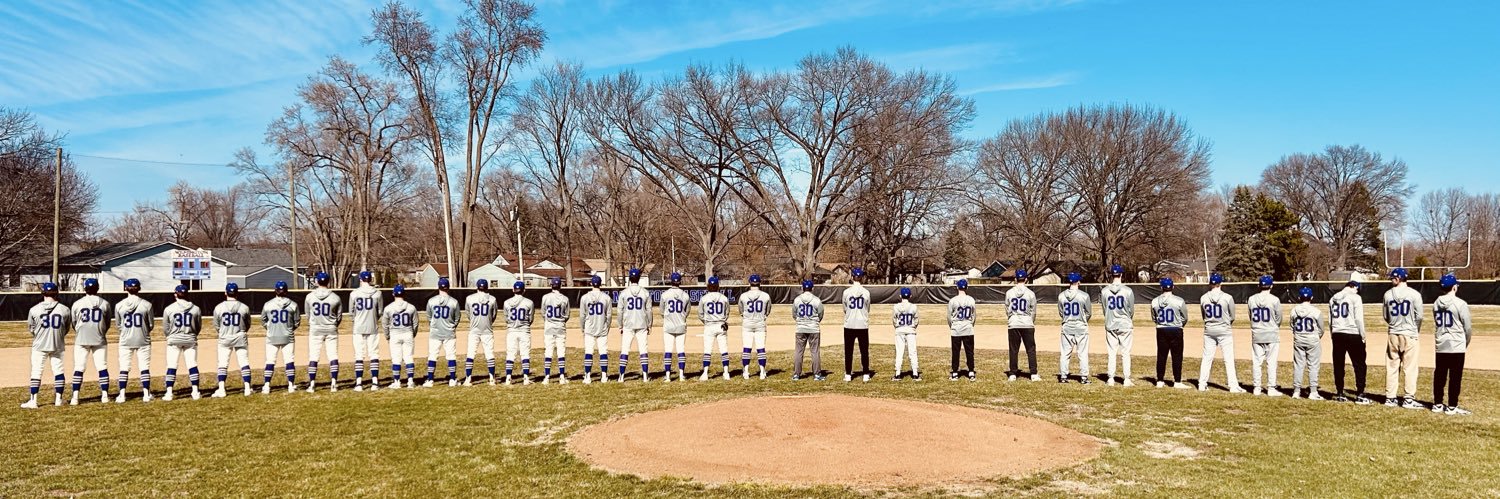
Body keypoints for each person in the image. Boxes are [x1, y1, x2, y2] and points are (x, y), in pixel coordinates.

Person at [1382, 267, 1424, 409]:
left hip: (1393, 333)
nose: (1391, 280)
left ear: (1398, 278)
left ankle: (1390, 397)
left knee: (1392, 366)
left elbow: (1386, 316)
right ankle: (1408, 399)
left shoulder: (1388, 294)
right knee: (1410, 368)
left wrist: (1394, 324)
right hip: (1409, 333)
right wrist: (1414, 329)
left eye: (1393, 278)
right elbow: (1419, 316)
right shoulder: (1414, 294)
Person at [22, 282, 69, 409]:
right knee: (58, 371)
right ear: (56, 293)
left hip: (39, 345)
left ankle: (34, 400)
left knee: (36, 372)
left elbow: (31, 328)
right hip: (57, 345)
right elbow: (66, 328)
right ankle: (59, 399)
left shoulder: (34, 309)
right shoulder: (65, 309)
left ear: (43, 293)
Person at [1431, 274, 1472, 415]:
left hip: (1441, 342)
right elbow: (1467, 328)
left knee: (1440, 375)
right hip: (1456, 344)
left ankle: (1437, 403)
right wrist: (1465, 342)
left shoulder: (1436, 302)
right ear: (1454, 287)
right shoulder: (1460, 303)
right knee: (1455, 377)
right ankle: (1452, 406)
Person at [1198, 273, 1244, 393]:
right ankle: (1233, 386)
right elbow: (1232, 316)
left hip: (1209, 330)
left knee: (1207, 358)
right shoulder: (1227, 297)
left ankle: (1202, 384)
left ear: (1210, 284)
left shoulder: (1203, 298)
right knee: (1228, 359)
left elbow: (1204, 316)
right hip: (1224, 330)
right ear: (1221, 283)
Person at [69, 278, 111, 405]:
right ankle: (104, 396)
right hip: (99, 338)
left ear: (85, 289)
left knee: (79, 367)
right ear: (97, 288)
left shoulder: (77, 303)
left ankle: (75, 397)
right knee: (102, 367)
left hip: (82, 338)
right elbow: (107, 323)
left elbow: (74, 323)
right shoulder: (104, 303)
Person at [1328, 280, 1370, 404]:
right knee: (1359, 365)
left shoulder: (1332, 299)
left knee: (1339, 364)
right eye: (1357, 289)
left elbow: (1330, 321)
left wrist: (1332, 334)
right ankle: (1360, 393)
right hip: (1353, 333)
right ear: (1353, 287)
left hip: (1337, 333)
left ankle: (1340, 392)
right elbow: (1358, 319)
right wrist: (1363, 335)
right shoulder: (1355, 298)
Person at [115, 278, 154, 403]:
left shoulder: (119, 305)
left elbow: (119, 325)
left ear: (125, 288)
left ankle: (122, 395)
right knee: (144, 367)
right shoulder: (147, 304)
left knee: (124, 367)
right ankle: (146, 394)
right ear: (139, 289)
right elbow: (151, 325)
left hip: (125, 340)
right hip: (143, 338)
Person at [161, 285, 204, 401]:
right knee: (192, 364)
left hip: (174, 339)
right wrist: (192, 334)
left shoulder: (169, 309)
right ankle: (195, 392)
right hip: (190, 339)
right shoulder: (196, 309)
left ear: (175, 294)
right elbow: (198, 326)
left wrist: (171, 336)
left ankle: (169, 393)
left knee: (172, 365)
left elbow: (165, 328)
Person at [211, 283, 254, 398]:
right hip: (240, 337)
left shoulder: (219, 307)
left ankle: (221, 389)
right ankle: (247, 388)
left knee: (223, 364)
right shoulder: (244, 307)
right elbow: (247, 324)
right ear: (237, 293)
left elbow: (216, 325)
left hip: (225, 338)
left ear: (225, 293)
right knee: (244, 362)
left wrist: (223, 332)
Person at [304, 272, 343, 392]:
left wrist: (314, 323)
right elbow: (339, 316)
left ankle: (311, 384)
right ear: (328, 282)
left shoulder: (310, 296)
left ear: (316, 282)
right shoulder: (335, 297)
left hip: (315, 328)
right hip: (331, 328)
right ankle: (334, 383)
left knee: (314, 356)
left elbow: (307, 314)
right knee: (333, 355)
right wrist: (333, 324)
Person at [260, 281, 299, 394]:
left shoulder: (268, 304)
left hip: (272, 337)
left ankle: (267, 385)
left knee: (270, 361)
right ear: (286, 291)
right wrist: (289, 329)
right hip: (288, 336)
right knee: (289, 360)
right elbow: (296, 322)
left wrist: (271, 328)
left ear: (275, 291)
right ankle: (291, 385)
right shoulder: (293, 304)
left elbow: (263, 320)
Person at [1150, 278, 1190, 389]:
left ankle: (1160, 380)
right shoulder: (1179, 300)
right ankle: (1177, 381)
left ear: (1161, 287)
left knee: (1161, 355)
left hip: (1161, 330)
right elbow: (1185, 317)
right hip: (1176, 329)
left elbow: (1154, 317)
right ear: (1173, 287)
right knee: (1177, 356)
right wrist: (1179, 324)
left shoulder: (1154, 301)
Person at [1247, 276, 1284, 397]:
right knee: (1271, 362)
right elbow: (1279, 318)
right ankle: (1271, 388)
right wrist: (1273, 326)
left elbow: (1250, 316)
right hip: (1271, 333)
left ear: (1259, 286)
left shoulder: (1251, 299)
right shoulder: (1275, 300)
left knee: (1257, 362)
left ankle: (1256, 388)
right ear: (1271, 286)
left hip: (1257, 333)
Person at [349, 270, 384, 391]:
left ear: (360, 279)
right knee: (373, 353)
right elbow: (380, 312)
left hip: (358, 327)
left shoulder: (354, 294)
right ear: (370, 279)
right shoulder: (377, 293)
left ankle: (359, 383)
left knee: (359, 354)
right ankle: (375, 382)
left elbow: (351, 312)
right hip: (372, 326)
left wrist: (357, 320)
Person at [1101, 265, 1135, 387]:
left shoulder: (1104, 291)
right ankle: (1126, 379)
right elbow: (1131, 310)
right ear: (1121, 275)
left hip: (1110, 324)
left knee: (1112, 352)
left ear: (1111, 275)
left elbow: (1104, 309)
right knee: (1125, 352)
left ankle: (1110, 378)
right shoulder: (1128, 291)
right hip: (1125, 324)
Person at [1288, 287, 1324, 400]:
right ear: (1311, 298)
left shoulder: (1294, 310)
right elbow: (1321, 329)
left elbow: (1292, 325)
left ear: (1299, 298)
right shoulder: (1316, 311)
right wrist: (1316, 336)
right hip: (1312, 340)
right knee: (1313, 365)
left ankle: (1296, 391)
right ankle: (1313, 391)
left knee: (1298, 366)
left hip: (1299, 339)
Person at [617, 268, 652, 382]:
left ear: (629, 278)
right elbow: (649, 311)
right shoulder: (645, 292)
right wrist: (649, 324)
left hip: (628, 325)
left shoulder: (624, 292)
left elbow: (619, 311)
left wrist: (620, 324)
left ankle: (621, 376)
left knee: (625, 350)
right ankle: (645, 376)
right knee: (643, 350)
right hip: (642, 324)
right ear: (639, 278)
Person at [1057, 272, 1092, 384]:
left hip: (1067, 327)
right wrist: (1082, 320)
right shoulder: (1084, 296)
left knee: (1065, 353)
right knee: (1082, 354)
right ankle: (1084, 377)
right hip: (1081, 327)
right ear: (1079, 282)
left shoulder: (1061, 296)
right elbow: (1088, 313)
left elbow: (1061, 312)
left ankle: (1063, 376)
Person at [425, 277, 461, 387]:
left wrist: (435, 325)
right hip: (449, 332)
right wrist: (451, 326)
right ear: (448, 288)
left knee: (432, 356)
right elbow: (457, 318)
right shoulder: (454, 302)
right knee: (451, 356)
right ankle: (452, 379)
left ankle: (430, 379)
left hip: (435, 333)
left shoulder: (431, 301)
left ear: (438, 287)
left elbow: (429, 317)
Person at [463, 279, 499, 386]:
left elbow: (468, 314)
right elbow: (494, 315)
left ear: (477, 287)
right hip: (487, 330)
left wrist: (474, 321)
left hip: (474, 330)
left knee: (470, 354)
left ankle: (468, 378)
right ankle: (492, 378)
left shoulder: (469, 298)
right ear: (487, 287)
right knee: (489, 354)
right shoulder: (492, 299)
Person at [1005, 270, 1039, 381]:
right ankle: (1033, 373)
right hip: (1027, 323)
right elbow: (1033, 311)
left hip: (1014, 323)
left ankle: (1013, 373)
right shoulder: (1030, 293)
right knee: (1030, 349)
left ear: (1015, 279)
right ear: (1025, 279)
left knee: (1013, 349)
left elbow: (1007, 308)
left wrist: (1011, 318)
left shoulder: (1009, 292)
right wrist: (1030, 321)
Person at [383, 285, 419, 389]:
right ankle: (410, 381)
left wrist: (387, 336)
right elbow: (415, 323)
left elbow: (385, 325)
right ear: (404, 294)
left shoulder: (388, 308)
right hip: (408, 333)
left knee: (396, 359)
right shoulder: (411, 307)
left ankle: (397, 381)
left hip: (395, 334)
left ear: (393, 294)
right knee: (408, 357)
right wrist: (413, 334)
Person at [579, 275, 613, 384]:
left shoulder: (584, 297)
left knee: (588, 352)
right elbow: (609, 316)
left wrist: (583, 328)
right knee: (603, 352)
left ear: (591, 284)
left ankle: (588, 376)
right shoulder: (606, 297)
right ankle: (604, 376)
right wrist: (607, 327)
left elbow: (582, 315)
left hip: (589, 328)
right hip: (602, 328)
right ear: (601, 284)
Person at [698, 277, 732, 381]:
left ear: (708, 286)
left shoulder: (704, 298)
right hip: (721, 325)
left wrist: (706, 321)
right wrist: (723, 320)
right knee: (724, 350)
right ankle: (726, 373)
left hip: (709, 326)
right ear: (718, 286)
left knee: (707, 350)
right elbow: (727, 312)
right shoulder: (724, 298)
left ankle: (705, 373)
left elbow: (700, 314)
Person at [739, 274, 771, 379]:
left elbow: (741, 310)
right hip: (760, 323)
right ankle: (762, 372)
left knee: (747, 348)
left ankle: (746, 372)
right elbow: (768, 311)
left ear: (749, 283)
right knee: (760, 348)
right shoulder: (765, 296)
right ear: (760, 283)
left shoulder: (743, 296)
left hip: (747, 324)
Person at [502, 280, 535, 385]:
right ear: (524, 290)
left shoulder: (506, 302)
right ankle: (525, 378)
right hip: (524, 330)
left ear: (513, 290)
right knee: (525, 354)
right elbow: (530, 319)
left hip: (511, 331)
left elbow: (506, 318)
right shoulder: (529, 302)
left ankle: (508, 378)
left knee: (510, 354)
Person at [842, 267, 872, 382]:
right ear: (862, 278)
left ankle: (848, 374)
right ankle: (865, 373)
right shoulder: (866, 292)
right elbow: (867, 308)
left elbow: (845, 308)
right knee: (864, 351)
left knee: (848, 351)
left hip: (849, 324)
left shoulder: (846, 292)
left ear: (852, 277)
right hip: (862, 325)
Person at [791, 280, 825, 381]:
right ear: (812, 288)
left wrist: (800, 321)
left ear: (802, 288)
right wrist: (815, 321)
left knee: (798, 351)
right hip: (814, 329)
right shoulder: (816, 300)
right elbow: (820, 314)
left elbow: (794, 314)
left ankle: (796, 374)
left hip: (800, 328)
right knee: (815, 352)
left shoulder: (797, 300)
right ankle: (817, 375)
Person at [660, 273, 691, 382]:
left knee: (668, 350)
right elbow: (687, 311)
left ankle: (668, 376)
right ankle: (682, 375)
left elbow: (662, 312)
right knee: (681, 350)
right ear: (680, 281)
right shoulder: (685, 295)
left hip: (668, 326)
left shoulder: (665, 294)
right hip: (681, 325)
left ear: (671, 281)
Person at [540, 278, 571, 384]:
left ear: (551, 286)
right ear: (560, 286)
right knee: (561, 352)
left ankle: (547, 377)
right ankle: (562, 376)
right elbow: (567, 315)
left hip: (549, 327)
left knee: (548, 352)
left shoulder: (545, 297)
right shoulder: (565, 299)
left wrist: (549, 321)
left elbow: (543, 313)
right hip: (560, 327)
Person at [948, 279, 976, 381]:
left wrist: (953, 326)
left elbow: (949, 317)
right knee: (969, 351)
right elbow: (973, 316)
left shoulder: (953, 300)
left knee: (956, 352)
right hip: (968, 328)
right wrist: (970, 324)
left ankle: (955, 372)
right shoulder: (971, 300)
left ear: (957, 287)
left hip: (956, 329)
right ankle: (971, 372)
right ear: (967, 287)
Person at [893, 287, 921, 381]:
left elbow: (894, 319)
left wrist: (897, 327)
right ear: (910, 296)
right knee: (912, 352)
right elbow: (916, 320)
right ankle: (915, 373)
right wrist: (913, 327)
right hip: (910, 330)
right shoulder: (914, 307)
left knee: (899, 352)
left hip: (899, 330)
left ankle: (897, 374)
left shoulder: (896, 307)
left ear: (900, 296)